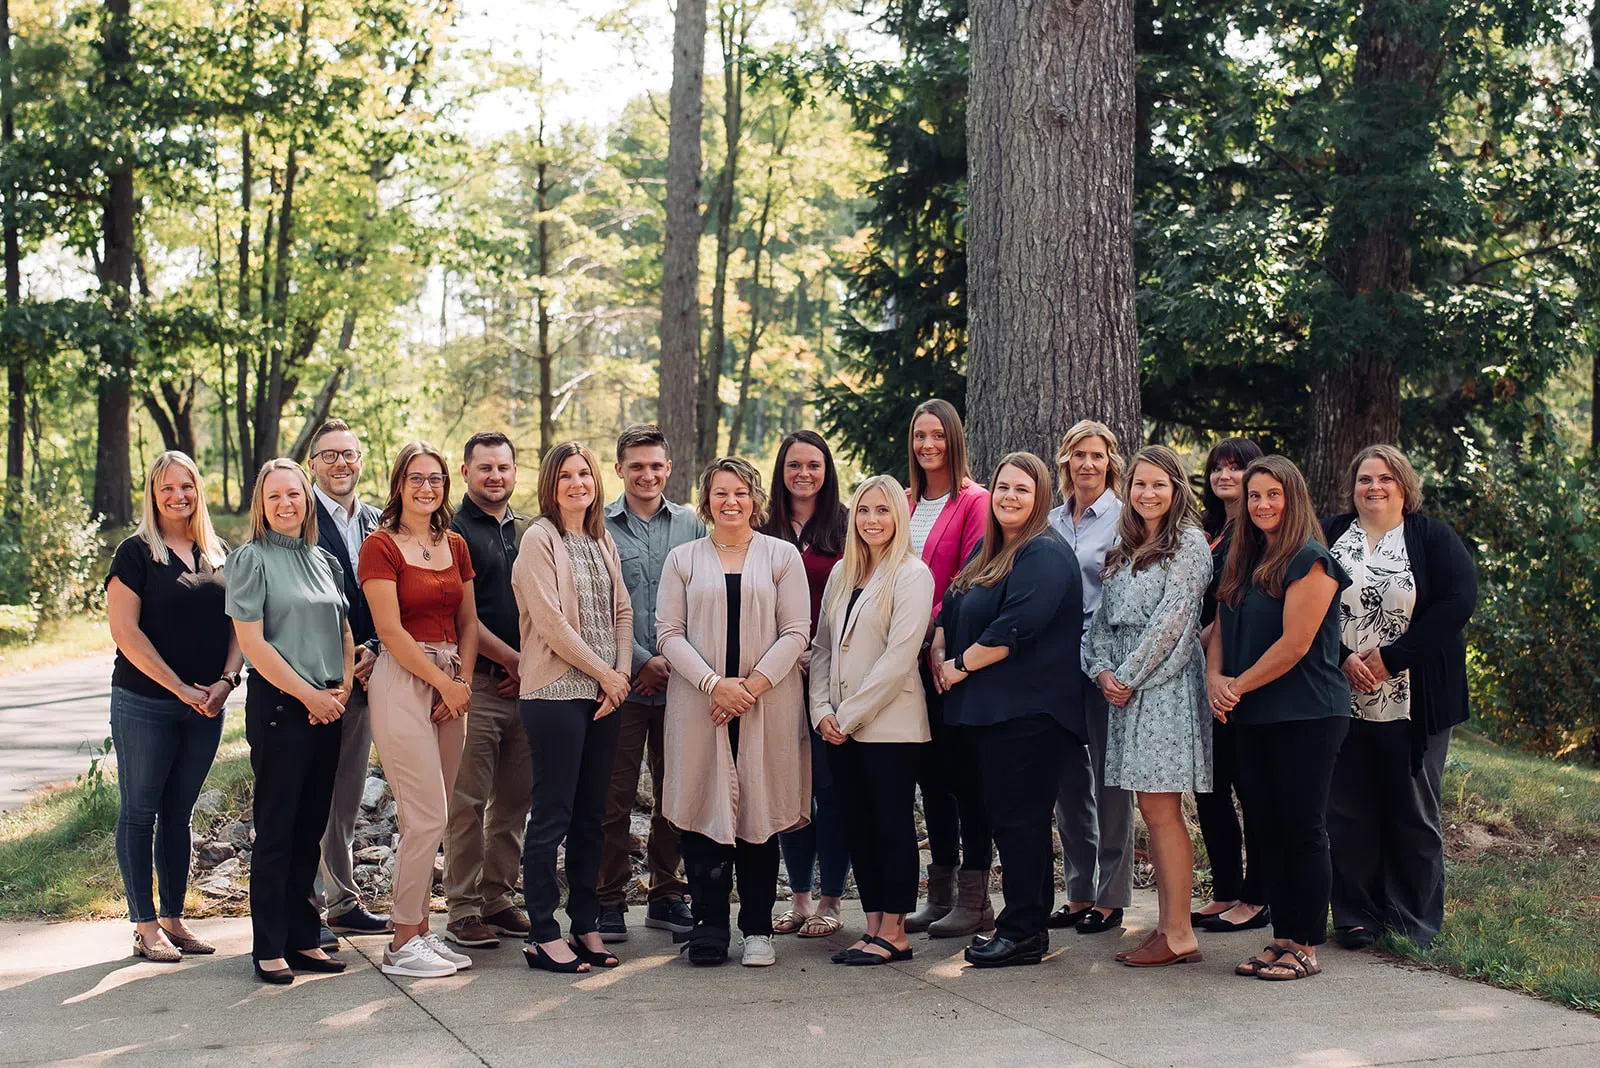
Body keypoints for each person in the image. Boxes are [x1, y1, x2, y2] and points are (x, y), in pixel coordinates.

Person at [657, 457, 811, 968]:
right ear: (706, 501)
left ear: (755, 500)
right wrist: (713, 685)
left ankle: (758, 929)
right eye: (721, 493)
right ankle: (708, 925)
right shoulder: (683, 559)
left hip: (767, 704)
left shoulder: (781, 556)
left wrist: (749, 688)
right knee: (703, 808)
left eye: (741, 492)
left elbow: (797, 632)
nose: (731, 502)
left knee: (757, 816)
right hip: (700, 705)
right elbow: (668, 634)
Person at [1323, 445, 1476, 950]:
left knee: (1413, 809)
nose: (1374, 487)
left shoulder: (1431, 538)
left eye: (1385, 478)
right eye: (1365, 479)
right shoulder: (1330, 535)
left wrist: (1392, 658)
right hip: (1343, 694)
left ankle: (1413, 922)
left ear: (1404, 486)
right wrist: (1342, 657)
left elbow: (1458, 602)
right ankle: (1356, 916)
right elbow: (1300, 603)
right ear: (1353, 487)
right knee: (1348, 809)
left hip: (1415, 698)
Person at [933, 452, 1083, 968]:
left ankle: (1022, 933)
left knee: (1021, 823)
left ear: (1039, 497)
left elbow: (1013, 628)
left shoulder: (1044, 554)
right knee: (1014, 823)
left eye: (1022, 489)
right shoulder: (989, 548)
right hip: (990, 713)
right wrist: (940, 640)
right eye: (1002, 487)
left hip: (1030, 715)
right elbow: (955, 602)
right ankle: (1026, 925)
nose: (1009, 497)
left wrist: (958, 666)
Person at [1209, 455, 1351, 982]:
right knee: (1266, 827)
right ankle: (1282, 939)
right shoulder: (1244, 559)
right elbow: (1220, 627)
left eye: (1273, 494)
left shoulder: (1311, 559)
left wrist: (1235, 685)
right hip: (1253, 713)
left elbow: (1295, 645)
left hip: (1307, 713)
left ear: (1293, 499)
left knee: (1302, 828)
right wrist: (1214, 679)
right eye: (1254, 495)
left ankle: (1306, 945)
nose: (1262, 504)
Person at [106, 451, 241, 963]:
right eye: (167, 488)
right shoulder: (135, 554)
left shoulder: (218, 553)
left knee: (179, 813)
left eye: (186, 486)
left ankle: (173, 919)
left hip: (207, 707)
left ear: (197, 490)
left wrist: (227, 681)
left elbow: (241, 625)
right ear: (153, 494)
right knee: (140, 812)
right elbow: (125, 633)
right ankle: (144, 926)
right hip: (146, 703)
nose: (178, 496)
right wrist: (179, 687)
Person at [226, 458, 355, 984]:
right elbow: (253, 644)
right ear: (261, 503)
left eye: (294, 494)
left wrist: (342, 688)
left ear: (307, 500)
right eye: (274, 495)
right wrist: (309, 696)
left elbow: (343, 631)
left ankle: (304, 937)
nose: (286, 504)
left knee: (310, 829)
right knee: (277, 830)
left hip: (328, 707)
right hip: (282, 707)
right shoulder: (250, 560)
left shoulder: (325, 560)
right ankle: (269, 945)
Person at [1085, 445, 1212, 967]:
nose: (1148, 493)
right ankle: (1166, 926)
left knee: (1161, 808)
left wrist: (1128, 677)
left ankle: (1179, 933)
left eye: (1159, 484)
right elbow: (1101, 621)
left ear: (1177, 489)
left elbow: (1173, 623)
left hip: (1163, 687)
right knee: (1148, 806)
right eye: (1140, 484)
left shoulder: (1189, 544)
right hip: (1123, 689)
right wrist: (1100, 670)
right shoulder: (1124, 546)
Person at [511, 441, 634, 974]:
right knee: (552, 815)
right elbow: (551, 623)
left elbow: (623, 612)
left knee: (592, 818)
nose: (577, 483)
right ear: (550, 484)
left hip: (606, 697)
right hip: (555, 694)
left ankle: (585, 924)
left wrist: (619, 677)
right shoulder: (539, 538)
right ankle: (542, 932)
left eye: (584, 473)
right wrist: (606, 673)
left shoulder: (601, 538)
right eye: (565, 475)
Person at [360, 442, 481, 978]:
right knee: (425, 812)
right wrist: (442, 685)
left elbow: (469, 623)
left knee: (436, 815)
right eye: (416, 478)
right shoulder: (380, 546)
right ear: (399, 484)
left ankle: (421, 933)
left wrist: (462, 683)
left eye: (435, 478)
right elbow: (389, 631)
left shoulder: (454, 543)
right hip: (403, 681)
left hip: (452, 680)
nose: (426, 487)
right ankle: (400, 942)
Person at [810, 475, 934, 965]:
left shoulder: (912, 575)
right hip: (839, 726)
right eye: (864, 510)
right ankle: (873, 926)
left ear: (898, 517)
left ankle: (896, 932)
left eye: (883, 510)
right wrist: (821, 710)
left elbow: (898, 659)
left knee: (890, 825)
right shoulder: (843, 572)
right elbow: (822, 647)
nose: (872, 520)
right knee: (857, 825)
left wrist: (848, 716)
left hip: (890, 727)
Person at [597, 424, 704, 942]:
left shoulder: (692, 524)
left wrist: (675, 660)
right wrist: (641, 660)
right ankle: (608, 901)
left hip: (682, 684)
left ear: (669, 468)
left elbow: (705, 596)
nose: (647, 474)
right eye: (636, 466)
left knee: (676, 795)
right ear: (619, 469)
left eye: (655, 465)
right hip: (620, 683)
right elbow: (594, 604)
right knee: (613, 797)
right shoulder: (597, 525)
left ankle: (667, 893)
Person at [902, 399, 993, 938]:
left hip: (949, 658)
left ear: (954, 439)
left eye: (938, 435)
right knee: (931, 779)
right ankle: (940, 896)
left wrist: (929, 627)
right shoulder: (904, 501)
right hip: (905, 663)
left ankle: (976, 899)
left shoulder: (975, 501)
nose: (928, 444)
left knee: (966, 778)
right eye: (920, 435)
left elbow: (970, 576)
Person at [442, 432, 534, 949]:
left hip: (531, 687)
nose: (495, 476)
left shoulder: (530, 530)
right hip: (476, 686)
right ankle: (462, 907)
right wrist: (512, 660)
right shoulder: (451, 532)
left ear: (515, 472)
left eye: (503, 467)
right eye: (485, 468)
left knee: (515, 802)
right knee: (468, 801)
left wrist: (531, 666)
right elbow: (464, 617)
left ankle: (497, 898)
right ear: (466, 473)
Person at [763, 430, 851, 941]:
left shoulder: (846, 526)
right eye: (794, 464)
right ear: (781, 470)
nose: (804, 474)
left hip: (830, 676)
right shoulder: (761, 527)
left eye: (813, 465)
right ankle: (797, 898)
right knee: (789, 789)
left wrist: (816, 654)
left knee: (830, 792)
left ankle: (831, 899)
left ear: (826, 471)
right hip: (774, 676)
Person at [1048, 419, 1134, 935]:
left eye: (1096, 455)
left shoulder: (1124, 519)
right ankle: (1079, 891)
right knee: (1068, 782)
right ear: (1065, 461)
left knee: (1110, 780)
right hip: (1057, 664)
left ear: (1110, 463)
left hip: (1105, 663)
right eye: (1077, 454)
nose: (1086, 463)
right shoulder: (1051, 520)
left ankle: (1111, 896)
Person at [307, 419, 391, 942]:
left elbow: (392, 596)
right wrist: (339, 660)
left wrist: (376, 647)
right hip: (317, 680)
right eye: (330, 455)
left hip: (371, 675)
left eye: (349, 454)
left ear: (360, 460)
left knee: (346, 794)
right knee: (311, 795)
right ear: (313, 463)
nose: (341, 463)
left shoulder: (379, 521)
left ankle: (341, 901)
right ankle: (308, 908)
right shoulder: (298, 517)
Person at [1192, 436, 1270, 933]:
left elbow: (1232, 607)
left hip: (1238, 672)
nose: (1225, 476)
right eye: (1217, 468)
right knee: (1211, 786)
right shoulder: (1207, 529)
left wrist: (1194, 646)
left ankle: (1258, 896)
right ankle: (1225, 889)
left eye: (1236, 468)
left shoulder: (1257, 533)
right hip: (1201, 672)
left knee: (1250, 787)